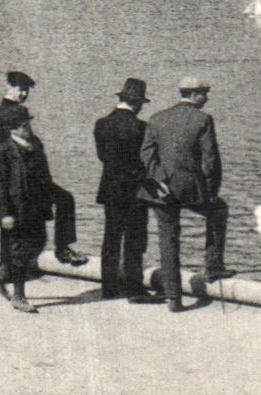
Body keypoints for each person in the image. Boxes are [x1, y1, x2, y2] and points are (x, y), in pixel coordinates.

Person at [140, 75, 231, 311]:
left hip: (162, 191)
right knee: (219, 210)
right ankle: (212, 268)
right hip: (191, 189)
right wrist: (211, 191)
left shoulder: (156, 119)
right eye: (204, 93)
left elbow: (147, 157)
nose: (206, 98)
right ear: (193, 94)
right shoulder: (202, 120)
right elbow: (210, 161)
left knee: (168, 241)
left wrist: (160, 182)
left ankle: (173, 297)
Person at [0, 113, 59, 313]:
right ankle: (19, 296)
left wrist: (49, 200)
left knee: (39, 243)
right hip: (16, 209)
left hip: (36, 208)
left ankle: (5, 274)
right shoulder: (4, 151)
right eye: (24, 125)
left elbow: (45, 175)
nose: (28, 128)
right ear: (13, 130)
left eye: (28, 124)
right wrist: (4, 213)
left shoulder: (36, 145)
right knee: (20, 251)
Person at [94, 78, 151, 300]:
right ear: (137, 103)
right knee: (135, 240)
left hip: (110, 189)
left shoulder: (101, 124)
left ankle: (108, 288)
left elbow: (102, 157)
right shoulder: (140, 127)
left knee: (111, 238)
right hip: (134, 192)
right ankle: (134, 288)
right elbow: (143, 162)